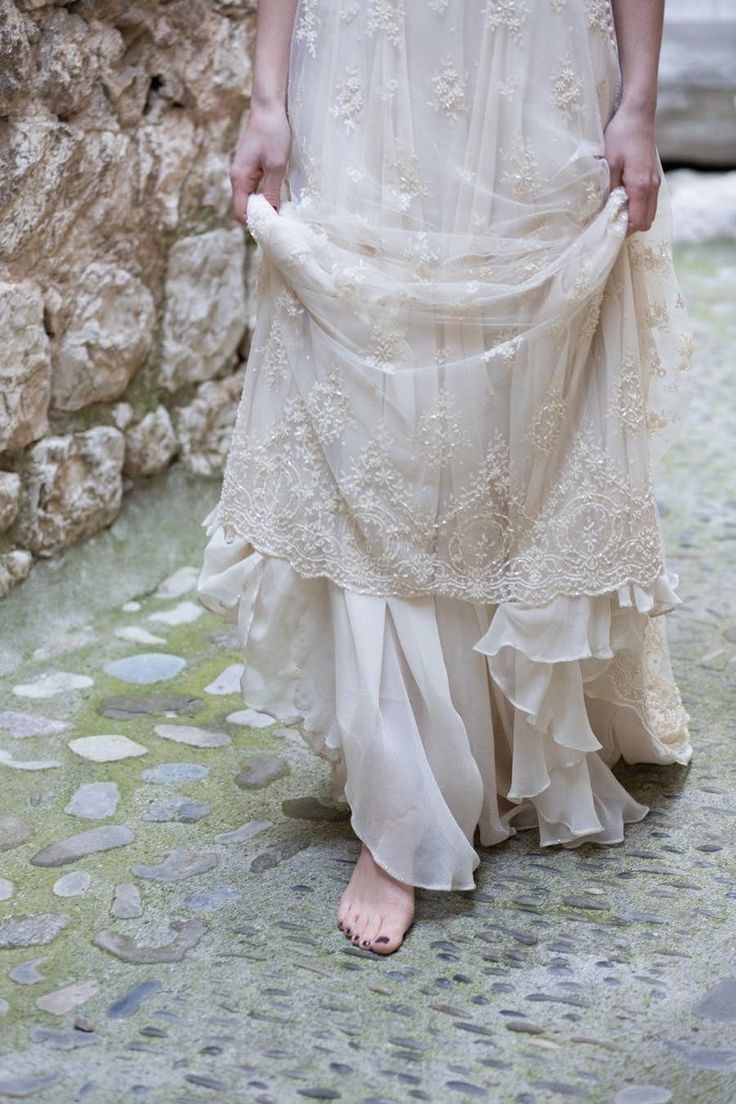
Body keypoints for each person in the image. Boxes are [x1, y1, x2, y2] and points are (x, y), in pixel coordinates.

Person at [196, 0, 694, 956]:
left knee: (527, 389)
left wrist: (638, 101)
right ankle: (402, 802)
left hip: (536, 56)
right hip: (364, 58)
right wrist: (266, 95)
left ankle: (501, 734)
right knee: (372, 397)